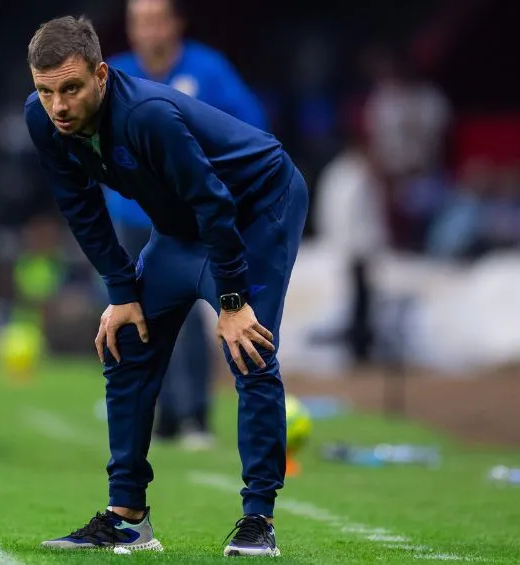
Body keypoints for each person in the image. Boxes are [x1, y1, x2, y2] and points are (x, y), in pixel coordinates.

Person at [24, 16, 307, 556]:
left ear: (102, 75)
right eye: (45, 90)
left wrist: (230, 302)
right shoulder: (42, 120)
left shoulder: (147, 116)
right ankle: (126, 517)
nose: (57, 106)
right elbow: (80, 207)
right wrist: (121, 290)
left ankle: (258, 521)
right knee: (126, 341)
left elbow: (215, 202)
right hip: (182, 227)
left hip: (258, 208)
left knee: (249, 347)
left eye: (71, 88)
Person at [105, 0, 269, 448]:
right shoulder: (113, 73)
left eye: (157, 20)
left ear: (176, 24)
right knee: (138, 313)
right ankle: (160, 416)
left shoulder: (209, 70)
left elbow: (251, 129)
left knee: (193, 313)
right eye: (139, 22)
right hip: (132, 214)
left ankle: (195, 414)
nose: (149, 31)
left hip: (190, 215)